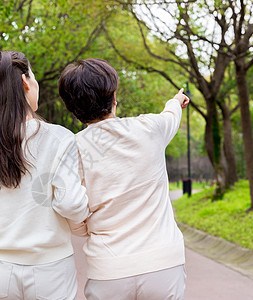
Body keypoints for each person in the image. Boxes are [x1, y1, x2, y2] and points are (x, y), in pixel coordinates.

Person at [0, 51, 89, 300]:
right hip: (50, 269)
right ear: (24, 82)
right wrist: (85, 221)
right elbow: (71, 203)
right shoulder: (59, 138)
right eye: (34, 76)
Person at [58, 58, 190, 300]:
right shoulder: (150, 127)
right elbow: (170, 115)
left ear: (72, 107)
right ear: (114, 97)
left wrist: (85, 229)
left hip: (108, 269)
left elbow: (72, 206)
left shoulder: (73, 149)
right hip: (163, 263)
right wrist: (176, 100)